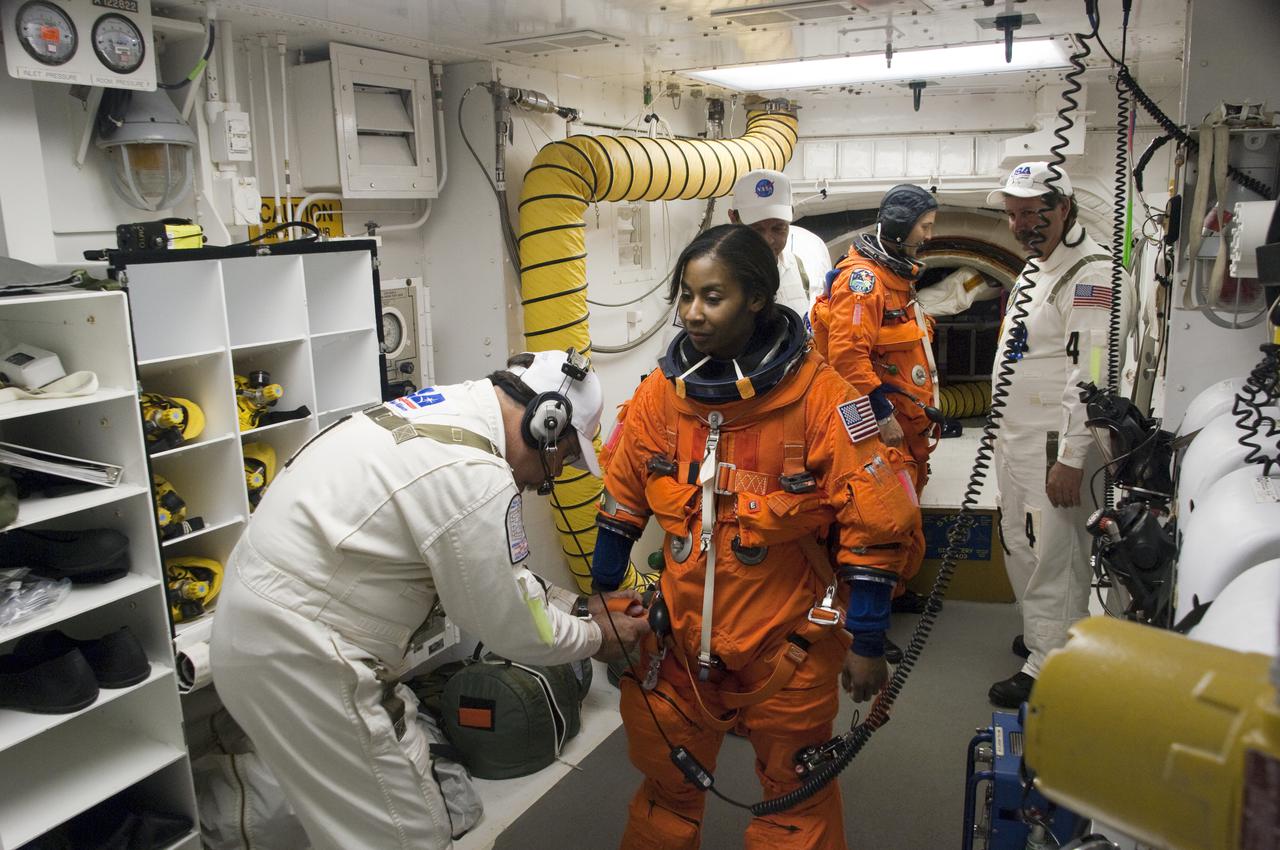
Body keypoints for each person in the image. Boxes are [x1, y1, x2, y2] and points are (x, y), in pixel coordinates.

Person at [210, 349, 650, 850]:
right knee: (408, 832)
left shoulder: (441, 411)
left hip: (265, 634)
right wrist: (597, 637)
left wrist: (578, 611)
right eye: (566, 456)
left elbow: (494, 573)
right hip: (305, 658)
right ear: (547, 422)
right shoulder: (475, 475)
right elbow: (516, 626)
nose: (549, 477)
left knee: (330, 822)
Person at [591, 224, 922, 849]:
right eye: (685, 296)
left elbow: (875, 526)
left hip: (787, 641)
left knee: (794, 805)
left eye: (711, 297)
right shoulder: (663, 395)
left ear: (758, 299)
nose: (692, 313)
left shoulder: (822, 398)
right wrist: (607, 601)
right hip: (679, 639)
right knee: (665, 793)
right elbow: (622, 502)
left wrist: (870, 641)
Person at [984, 162, 1122, 708]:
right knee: (1019, 538)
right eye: (1013, 215)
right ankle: (1042, 634)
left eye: (1031, 213)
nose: (1020, 225)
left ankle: (1054, 660)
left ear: (1063, 207)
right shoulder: (1037, 267)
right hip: (1016, 437)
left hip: (1054, 443)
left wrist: (1072, 456)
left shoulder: (1091, 275)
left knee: (1055, 549)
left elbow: (1089, 374)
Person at [810, 184, 940, 625]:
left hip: (907, 426)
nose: (928, 236)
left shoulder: (895, 280)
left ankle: (891, 590)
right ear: (902, 228)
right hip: (880, 424)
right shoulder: (862, 281)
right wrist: (881, 414)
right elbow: (848, 357)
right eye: (924, 227)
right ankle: (856, 611)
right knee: (874, 517)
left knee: (901, 514)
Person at [728, 168, 834, 316]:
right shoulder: (716, 275)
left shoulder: (805, 260)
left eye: (778, 228)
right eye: (756, 229)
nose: (768, 240)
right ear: (733, 219)